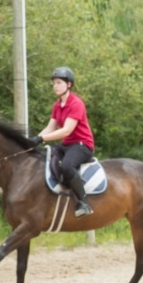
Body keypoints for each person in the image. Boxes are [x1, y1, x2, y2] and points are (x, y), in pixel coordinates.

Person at [30, 66, 95, 218]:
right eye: (54, 83)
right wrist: (32, 141)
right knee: (45, 159)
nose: (55, 86)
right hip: (67, 145)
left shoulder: (76, 104)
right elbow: (51, 127)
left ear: (69, 84)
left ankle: (84, 203)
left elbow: (66, 130)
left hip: (82, 145)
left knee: (66, 165)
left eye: (59, 82)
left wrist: (42, 138)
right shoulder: (57, 105)